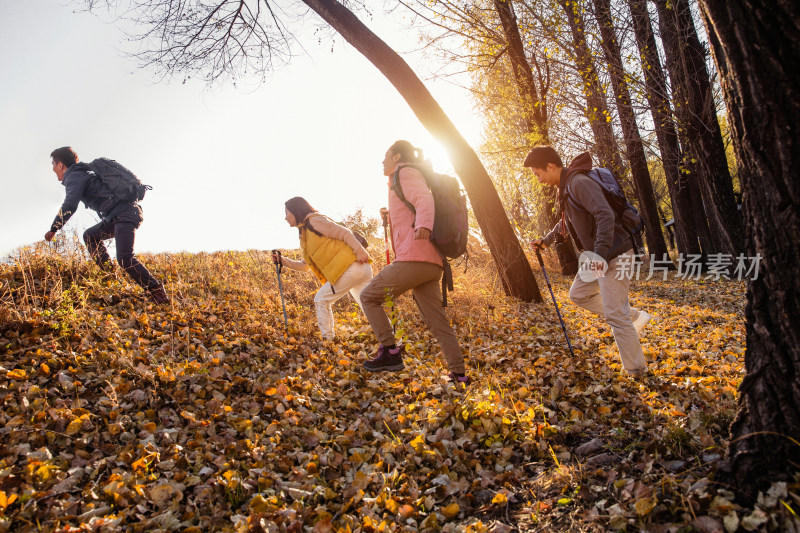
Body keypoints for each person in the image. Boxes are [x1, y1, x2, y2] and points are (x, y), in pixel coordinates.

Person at [526, 145, 652, 377]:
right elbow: (566, 222)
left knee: (615, 315)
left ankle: (637, 370)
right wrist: (546, 241)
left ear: (550, 166)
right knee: (579, 294)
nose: (539, 179)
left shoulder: (578, 183)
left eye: (538, 173)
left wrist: (601, 256)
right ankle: (634, 316)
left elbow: (605, 214)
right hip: (601, 254)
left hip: (616, 253)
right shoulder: (565, 187)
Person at [359, 140, 468, 384]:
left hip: (415, 258)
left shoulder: (405, 172)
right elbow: (413, 206)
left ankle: (390, 352)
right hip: (430, 264)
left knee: (369, 297)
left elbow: (424, 199)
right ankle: (459, 375)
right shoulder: (402, 178)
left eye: (385, 156)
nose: (382, 161)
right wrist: (392, 217)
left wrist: (423, 225)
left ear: (397, 156)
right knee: (438, 322)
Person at [45, 147, 169, 304]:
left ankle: (157, 292)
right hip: (118, 216)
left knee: (125, 258)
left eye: (53, 165)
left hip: (124, 214)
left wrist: (54, 229)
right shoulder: (83, 172)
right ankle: (110, 276)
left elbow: (70, 205)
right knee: (90, 236)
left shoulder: (74, 176)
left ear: (61, 165)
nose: (53, 169)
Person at [273, 197, 373, 341]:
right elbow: (305, 266)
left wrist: (360, 251)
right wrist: (283, 261)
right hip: (357, 269)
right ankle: (394, 342)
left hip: (350, 266)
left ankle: (328, 341)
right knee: (369, 306)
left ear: (295, 211)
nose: (285, 218)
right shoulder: (304, 233)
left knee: (321, 299)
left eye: (287, 213)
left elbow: (344, 232)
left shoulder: (314, 221)